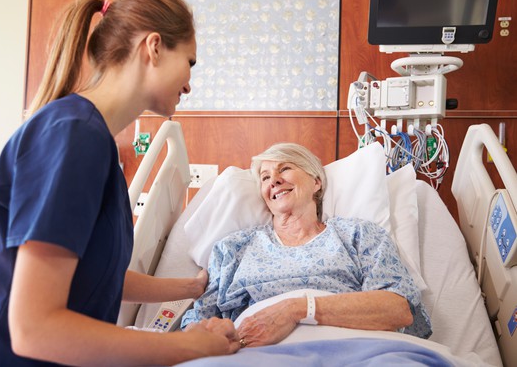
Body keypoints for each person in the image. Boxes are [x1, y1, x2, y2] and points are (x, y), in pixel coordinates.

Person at [0, 0, 239, 366]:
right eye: (190, 62)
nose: (190, 84)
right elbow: (35, 329)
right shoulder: (73, 136)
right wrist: (190, 346)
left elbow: (90, 272)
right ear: (154, 47)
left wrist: (191, 287)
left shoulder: (93, 143)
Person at [181, 142, 432, 347]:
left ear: (316, 182)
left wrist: (297, 309)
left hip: (351, 351)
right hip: (258, 355)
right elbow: (198, 325)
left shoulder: (358, 235)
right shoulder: (234, 248)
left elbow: (398, 310)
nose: (274, 181)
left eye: (285, 169)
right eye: (265, 177)